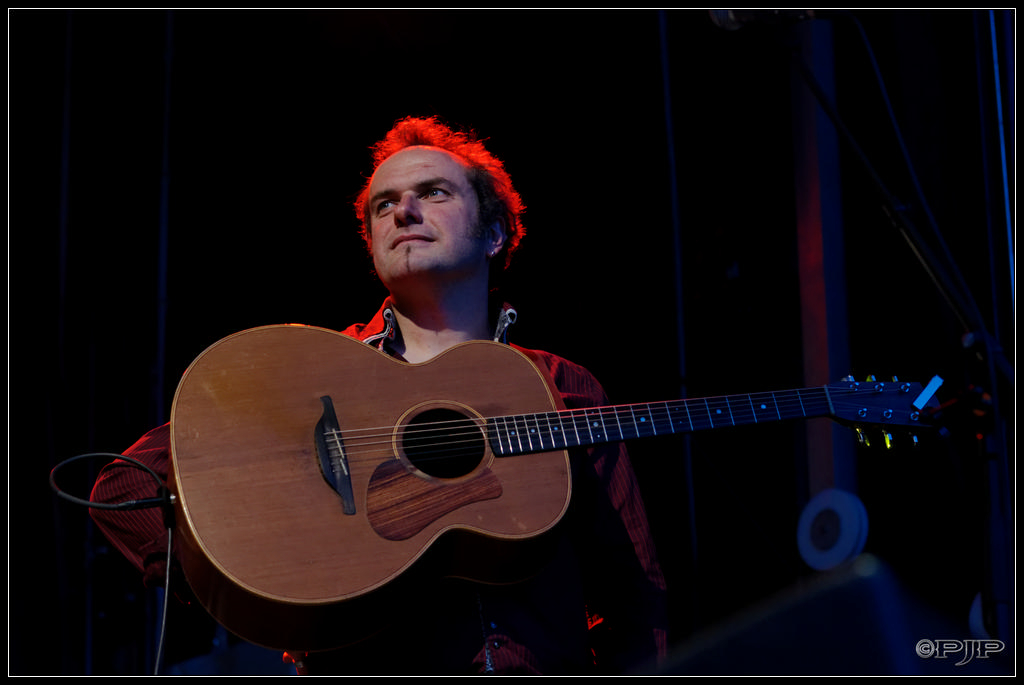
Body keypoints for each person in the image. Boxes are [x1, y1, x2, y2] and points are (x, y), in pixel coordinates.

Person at [90, 115, 669, 675]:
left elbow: (635, 594)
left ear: (494, 233)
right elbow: (125, 481)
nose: (404, 212)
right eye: (383, 205)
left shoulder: (561, 385)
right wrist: (251, 578)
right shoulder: (311, 375)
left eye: (433, 192)